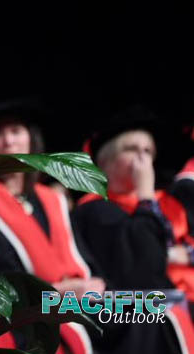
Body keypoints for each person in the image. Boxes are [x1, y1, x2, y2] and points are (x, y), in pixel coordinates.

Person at [0, 99, 100, 353]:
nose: (8, 141)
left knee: (150, 311)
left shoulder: (53, 200)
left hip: (83, 303)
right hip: (27, 315)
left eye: (16, 131)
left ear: (31, 139)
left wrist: (96, 283)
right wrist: (58, 292)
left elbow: (85, 262)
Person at [72, 107, 194, 351]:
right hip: (152, 319)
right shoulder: (94, 210)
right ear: (105, 160)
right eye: (131, 150)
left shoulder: (169, 205)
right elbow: (145, 269)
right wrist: (146, 195)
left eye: (148, 151)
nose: (143, 160)